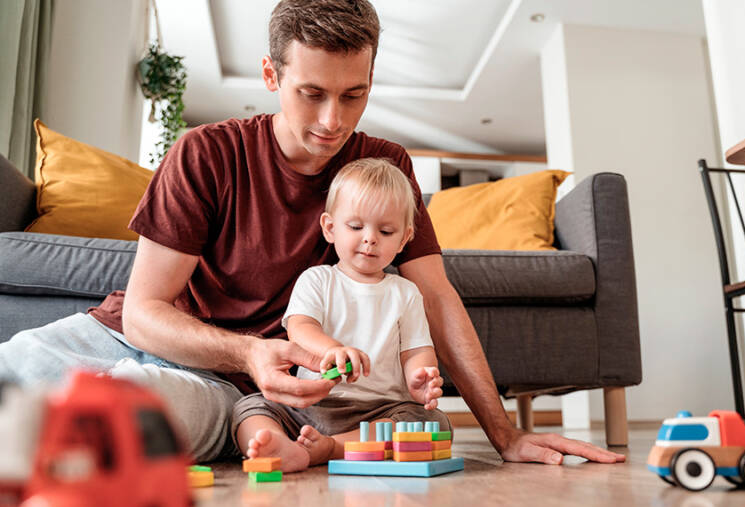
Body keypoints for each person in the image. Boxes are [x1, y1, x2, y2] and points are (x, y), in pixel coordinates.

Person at [0, 0, 624, 465]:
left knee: (105, 424)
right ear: (272, 77)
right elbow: (142, 315)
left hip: (224, 388)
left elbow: (436, 298)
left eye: (355, 95)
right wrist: (249, 349)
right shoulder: (204, 153)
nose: (333, 122)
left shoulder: (384, 165)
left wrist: (505, 435)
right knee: (16, 374)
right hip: (128, 337)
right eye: (312, 93)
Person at [232, 158, 447, 471]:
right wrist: (332, 349)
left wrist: (421, 377)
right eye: (356, 226)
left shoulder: (405, 292)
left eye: (386, 231)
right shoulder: (317, 279)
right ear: (330, 228)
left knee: (432, 422)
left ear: (403, 239)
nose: (370, 238)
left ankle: (329, 448)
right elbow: (300, 327)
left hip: (379, 412)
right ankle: (276, 444)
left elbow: (417, 349)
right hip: (313, 406)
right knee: (249, 406)